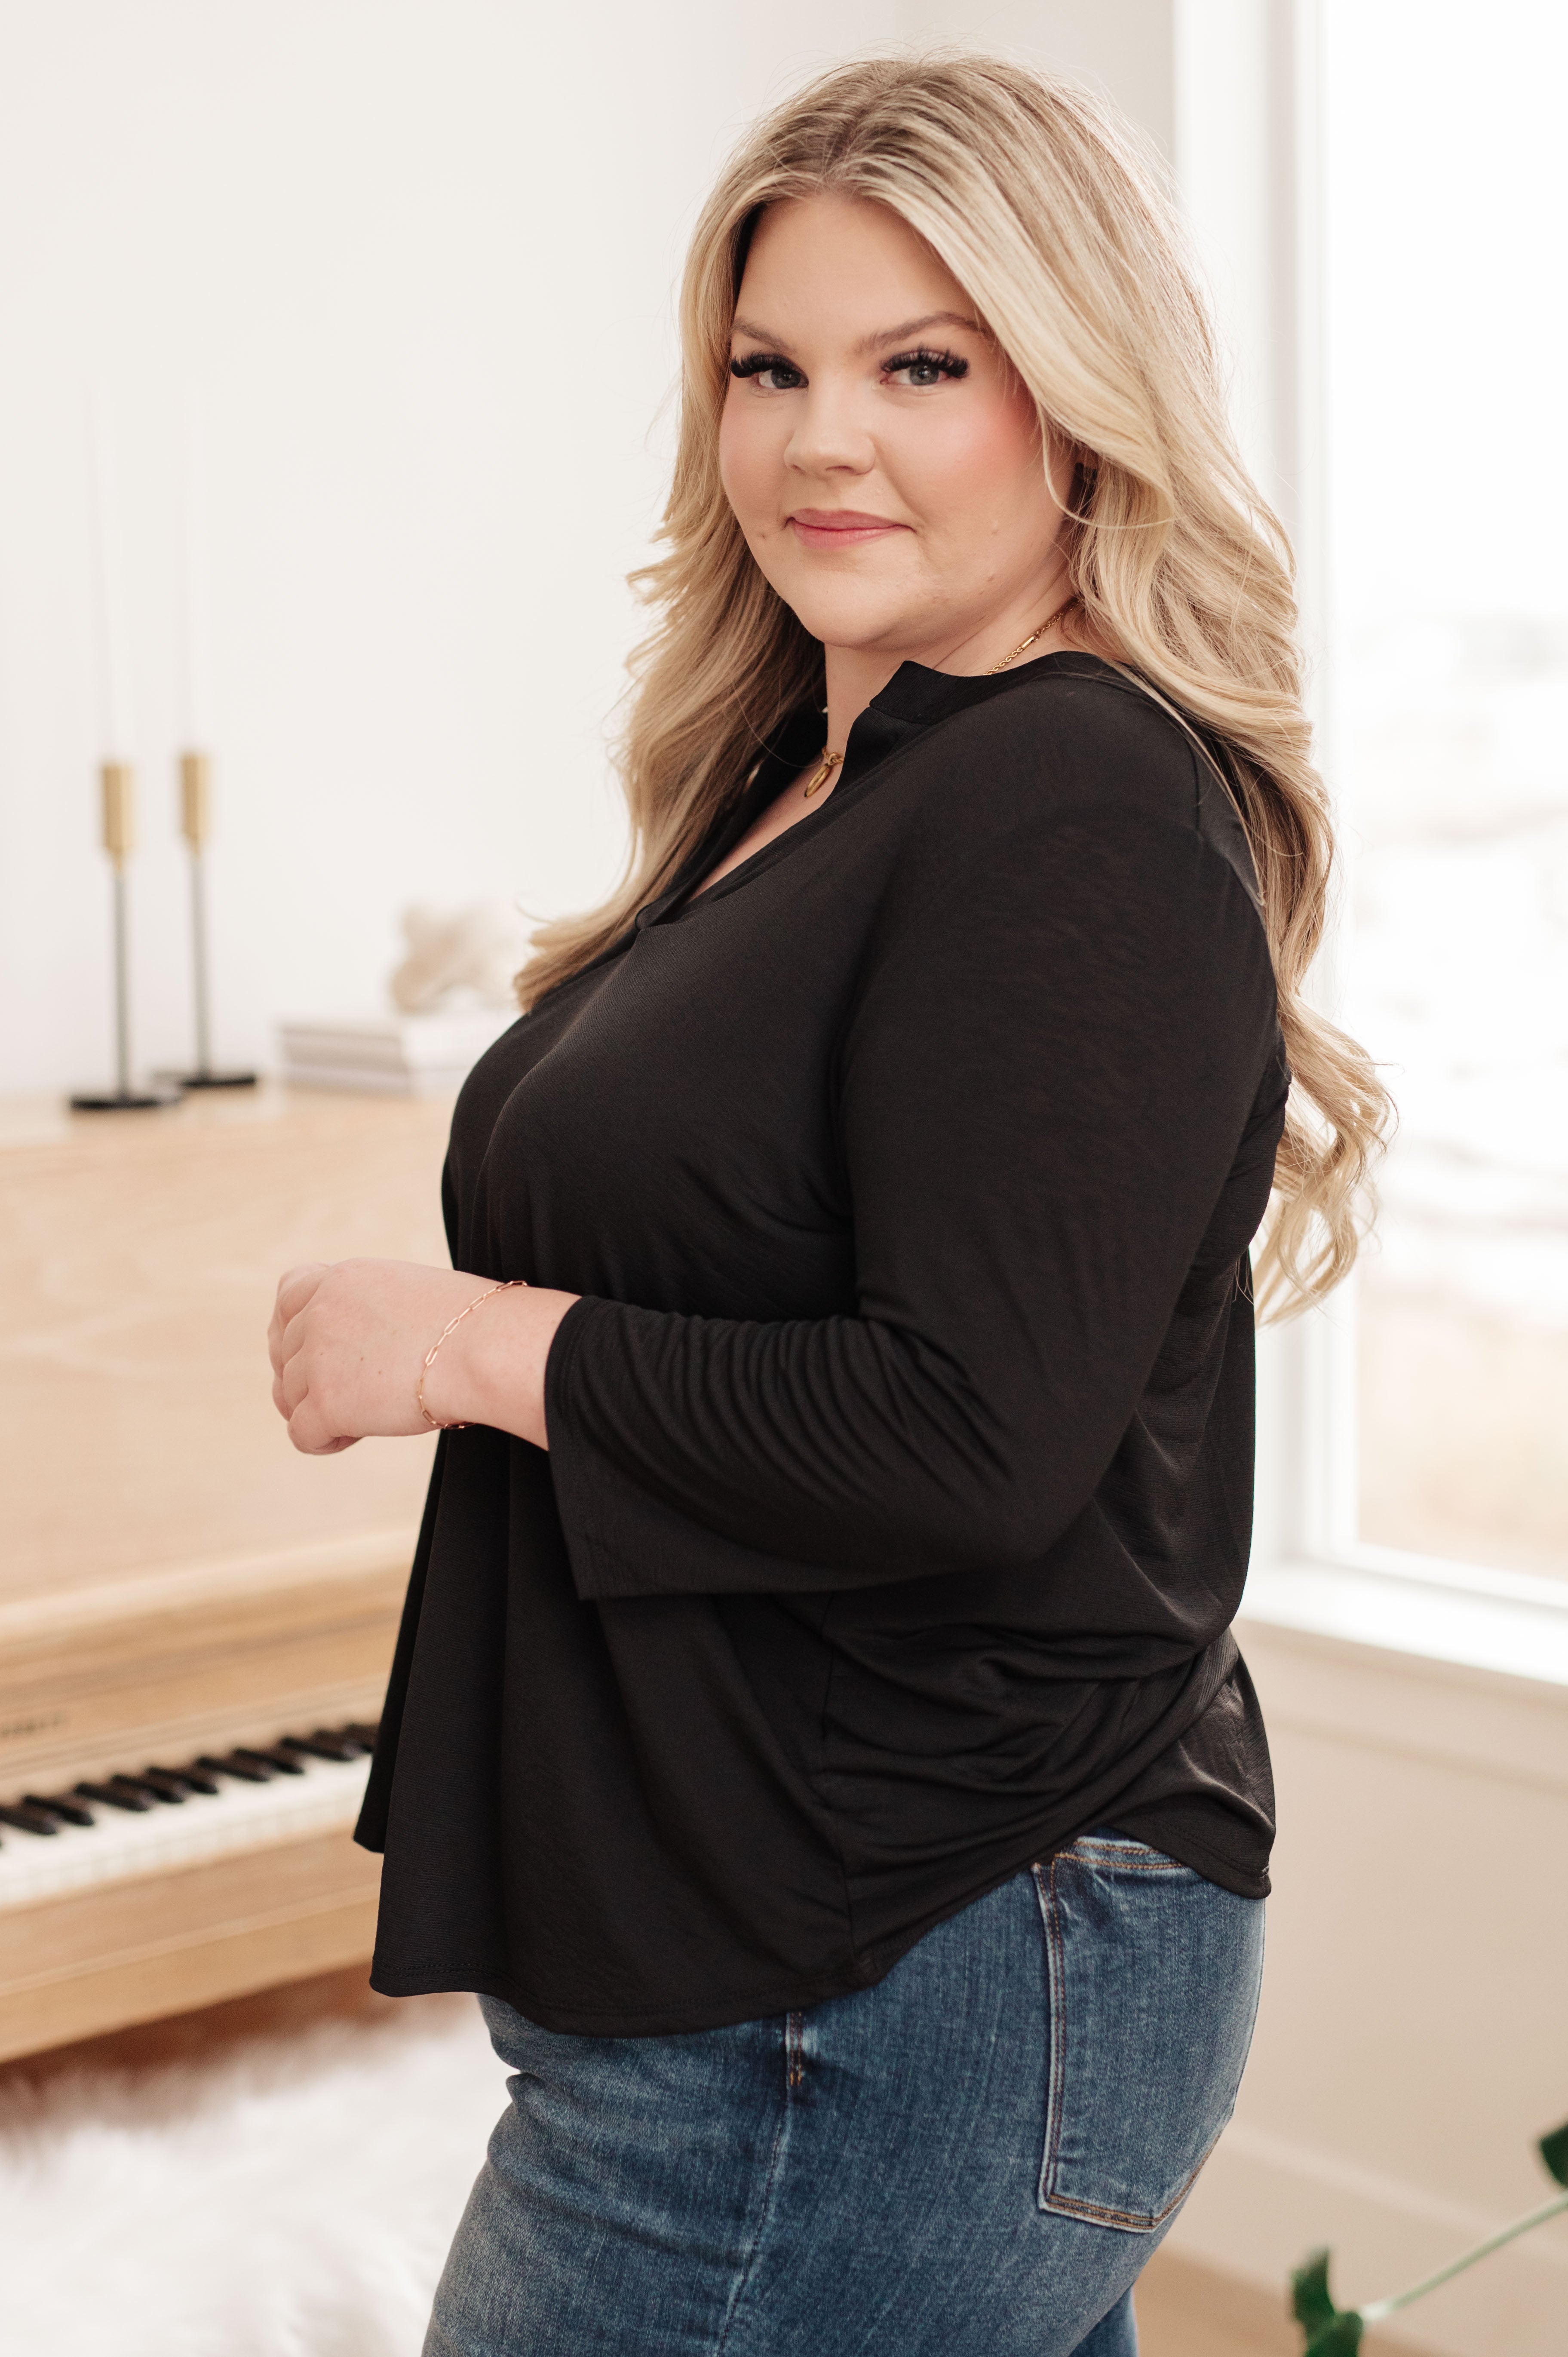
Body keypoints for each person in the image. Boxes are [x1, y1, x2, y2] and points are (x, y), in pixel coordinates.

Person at [268, 53, 1387, 2357]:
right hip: (836, 1946)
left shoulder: (1068, 799)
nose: (820, 442)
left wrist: (459, 1344)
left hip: (902, 1961)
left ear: (1079, 398)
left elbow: (970, 1436)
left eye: (923, 368)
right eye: (767, 368)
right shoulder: (823, 773)